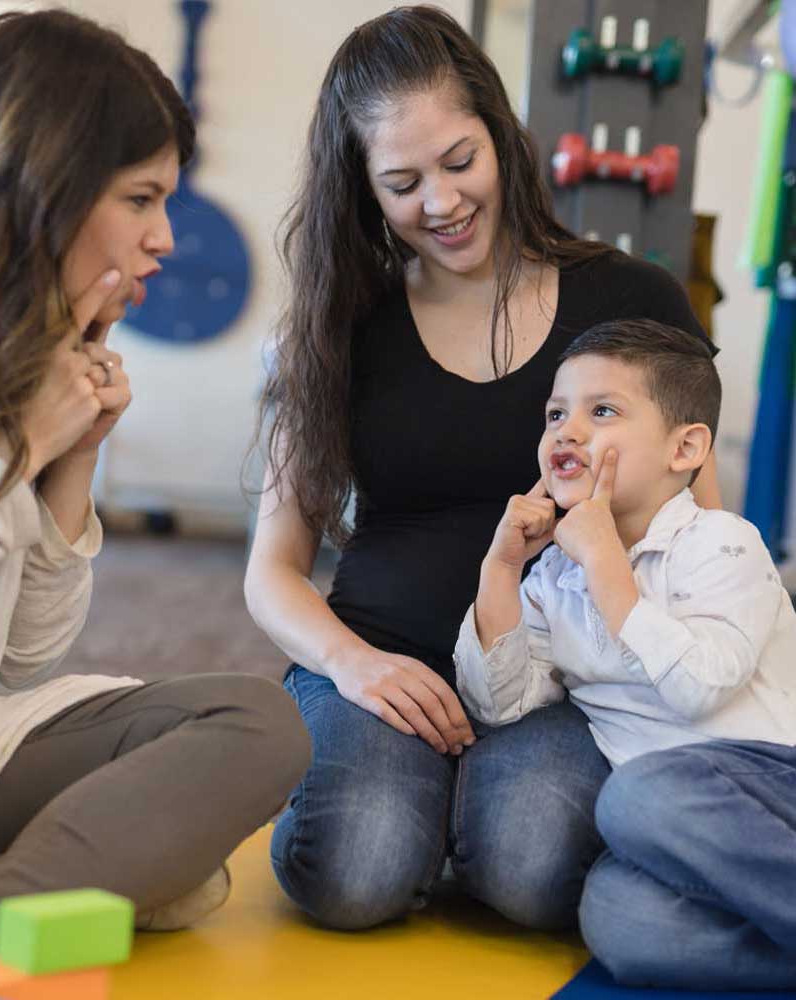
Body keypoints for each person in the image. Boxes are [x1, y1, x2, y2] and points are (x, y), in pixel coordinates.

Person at [0, 11, 310, 997]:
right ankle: (57, 901)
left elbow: (22, 660)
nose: (164, 235)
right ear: (42, 189)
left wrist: (70, 462)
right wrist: (13, 448)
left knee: (260, 721)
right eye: (140, 197)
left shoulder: (13, 333)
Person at [245, 5, 721, 932]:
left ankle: (460, 820)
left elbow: (702, 529)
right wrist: (354, 667)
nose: (441, 202)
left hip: (562, 678)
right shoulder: (336, 324)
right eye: (401, 182)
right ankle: (412, 812)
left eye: (459, 161)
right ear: (363, 190)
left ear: (501, 136)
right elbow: (272, 570)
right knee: (356, 873)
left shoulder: (631, 298)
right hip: (383, 655)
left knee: (532, 871)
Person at [455, 319, 796, 991]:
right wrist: (500, 570)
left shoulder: (721, 543)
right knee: (617, 918)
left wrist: (607, 565)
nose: (567, 432)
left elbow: (700, 688)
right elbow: (498, 703)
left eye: (601, 411)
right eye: (556, 413)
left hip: (767, 784)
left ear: (684, 447)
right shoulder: (556, 577)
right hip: (668, 824)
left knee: (634, 796)